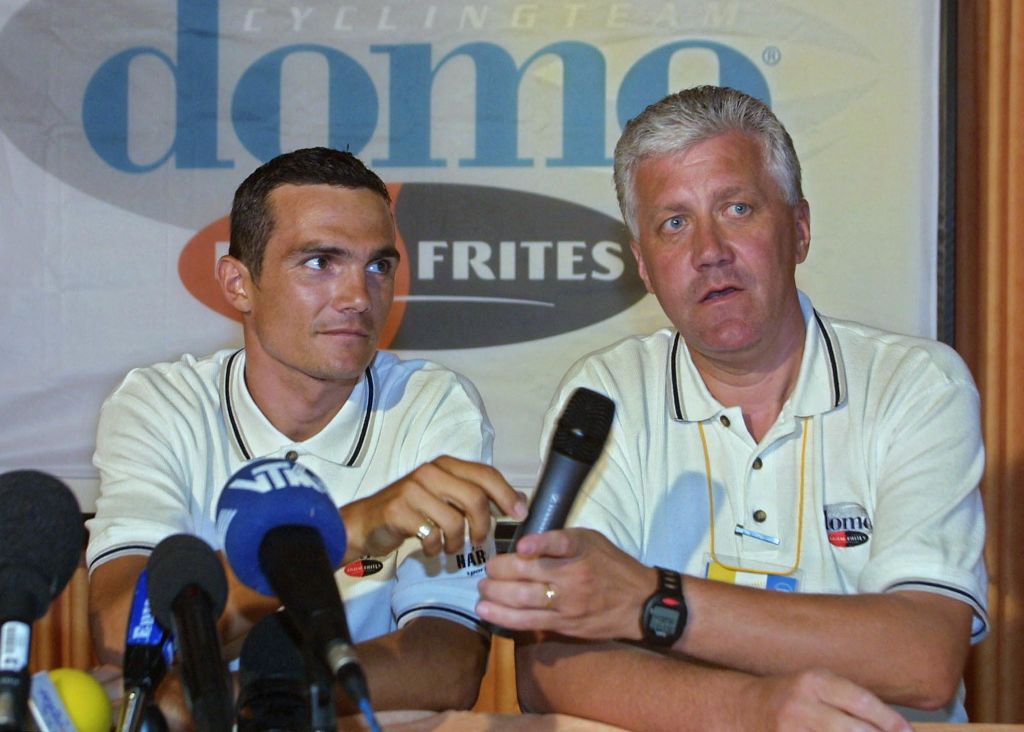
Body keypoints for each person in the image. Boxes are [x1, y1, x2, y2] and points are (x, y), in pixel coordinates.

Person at [477, 86, 987, 730]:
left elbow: (922, 658)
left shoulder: (913, 384)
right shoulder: (609, 391)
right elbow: (549, 670)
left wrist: (648, 599)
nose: (708, 250)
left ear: (799, 229)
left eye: (738, 208)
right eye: (673, 223)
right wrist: (752, 709)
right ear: (643, 264)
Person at [86, 147, 527, 724]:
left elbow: (448, 665)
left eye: (378, 266)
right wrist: (349, 532)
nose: (357, 297)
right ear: (239, 284)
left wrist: (229, 699)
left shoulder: (431, 406)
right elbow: (125, 631)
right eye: (320, 262)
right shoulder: (162, 404)